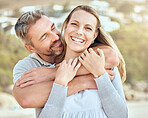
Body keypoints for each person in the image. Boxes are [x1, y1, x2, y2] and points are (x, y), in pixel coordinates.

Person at [13, 9, 119, 116]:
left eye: (53, 28)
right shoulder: (28, 66)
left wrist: (52, 73)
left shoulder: (76, 44)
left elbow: (111, 57)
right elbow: (25, 98)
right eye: (44, 36)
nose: (55, 37)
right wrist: (84, 81)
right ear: (31, 48)